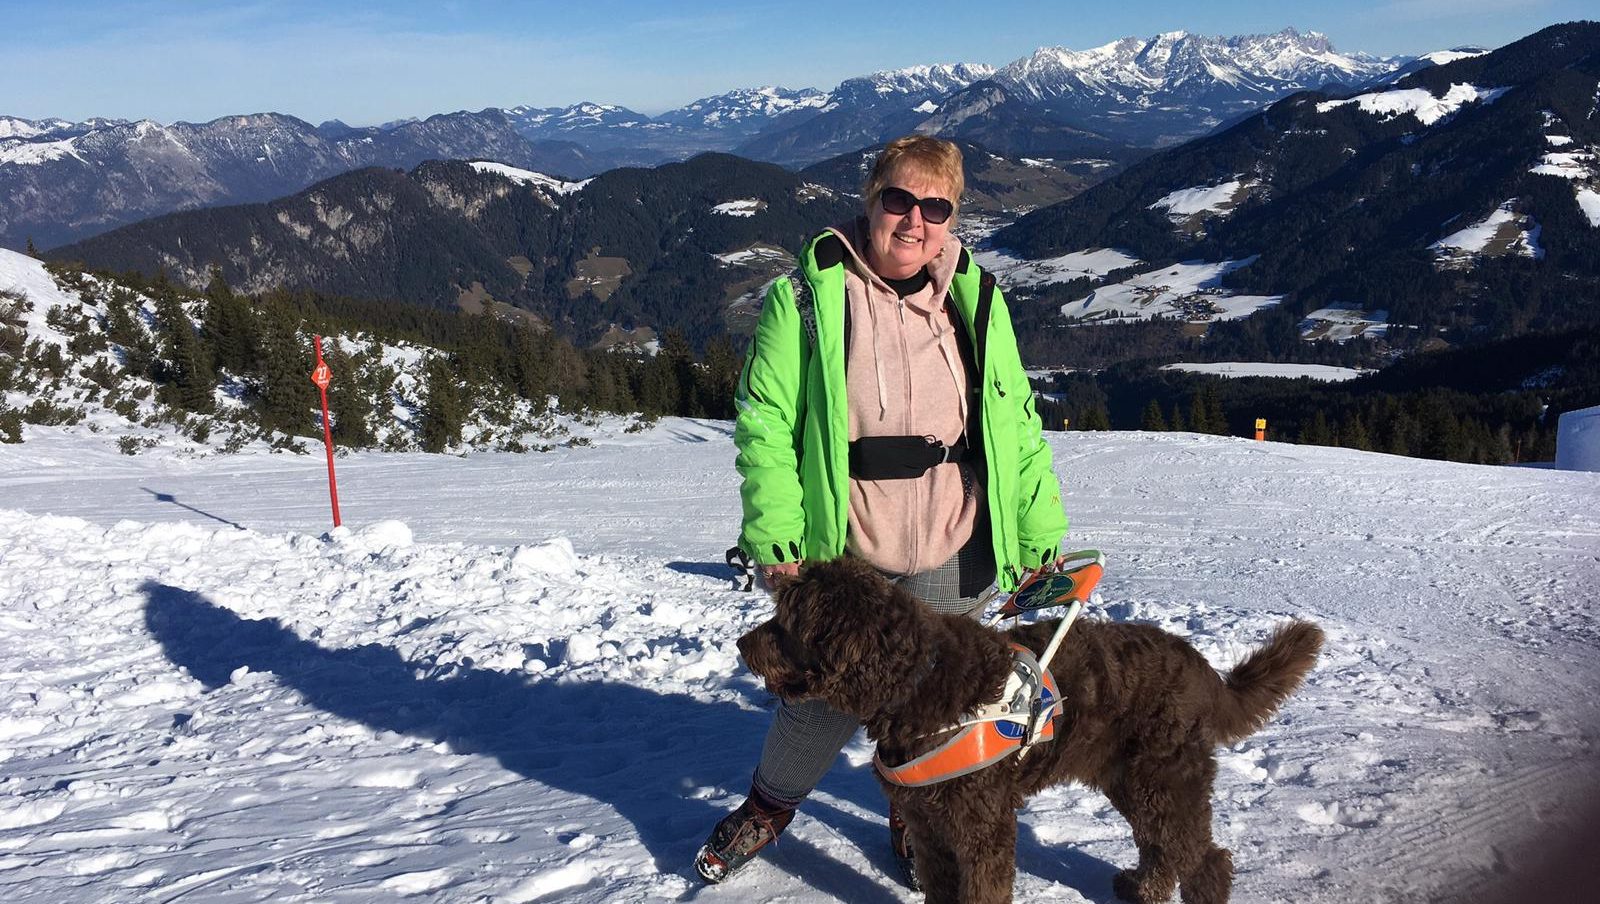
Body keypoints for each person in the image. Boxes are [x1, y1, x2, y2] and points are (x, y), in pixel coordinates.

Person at [695, 135, 1069, 887]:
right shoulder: (806, 298)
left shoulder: (977, 298)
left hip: (953, 542)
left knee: (932, 703)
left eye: (936, 206)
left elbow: (1014, 421)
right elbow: (766, 420)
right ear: (870, 199)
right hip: (846, 547)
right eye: (899, 199)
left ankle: (912, 815)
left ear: (952, 215)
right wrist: (774, 531)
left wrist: (1041, 533)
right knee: (820, 702)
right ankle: (769, 808)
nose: (914, 221)